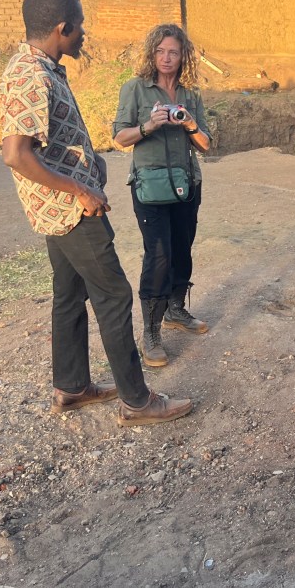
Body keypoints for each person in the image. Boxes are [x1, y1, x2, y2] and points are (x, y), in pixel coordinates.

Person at [0, 0, 193, 426]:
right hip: (70, 211)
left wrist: (91, 162)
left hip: (59, 209)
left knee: (69, 294)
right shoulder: (29, 75)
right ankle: (138, 402)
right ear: (62, 28)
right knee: (113, 294)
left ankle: (71, 387)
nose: (84, 32)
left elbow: (51, 140)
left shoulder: (44, 68)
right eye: (80, 25)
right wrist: (80, 190)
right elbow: (17, 153)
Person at [113, 23, 213, 367]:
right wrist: (149, 126)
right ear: (152, 54)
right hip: (149, 186)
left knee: (182, 251)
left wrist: (188, 124)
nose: (167, 58)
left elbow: (207, 145)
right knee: (157, 256)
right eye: (160, 51)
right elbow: (119, 139)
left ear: (183, 56)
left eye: (173, 52)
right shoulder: (135, 90)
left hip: (186, 185)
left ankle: (176, 309)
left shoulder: (190, 96)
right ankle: (151, 330)